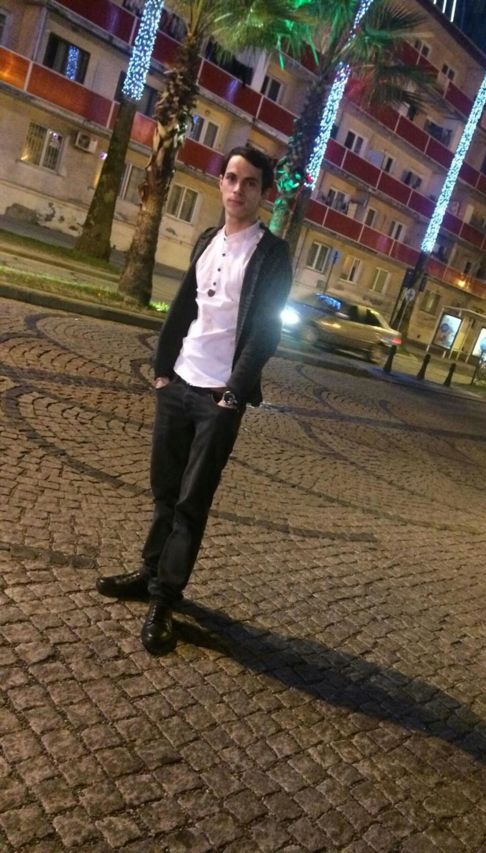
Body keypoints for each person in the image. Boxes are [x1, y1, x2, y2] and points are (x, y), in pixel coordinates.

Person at [96, 146, 292, 655]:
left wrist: (233, 393)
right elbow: (187, 307)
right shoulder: (207, 239)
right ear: (220, 182)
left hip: (218, 399)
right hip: (179, 383)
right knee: (165, 491)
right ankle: (148, 573)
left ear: (264, 193)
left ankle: (165, 598)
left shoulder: (271, 253)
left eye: (250, 182)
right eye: (232, 178)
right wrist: (164, 370)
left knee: (191, 502)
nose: (238, 189)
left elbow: (265, 332)